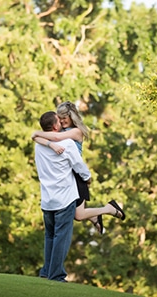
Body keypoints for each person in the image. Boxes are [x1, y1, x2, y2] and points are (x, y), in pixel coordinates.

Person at [32, 101, 125, 235]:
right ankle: (94, 216)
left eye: (64, 118)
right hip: (67, 177)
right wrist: (44, 141)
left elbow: (54, 137)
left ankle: (109, 209)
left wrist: (37, 134)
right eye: (60, 118)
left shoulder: (76, 132)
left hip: (77, 175)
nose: (62, 121)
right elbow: (39, 139)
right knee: (77, 215)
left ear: (72, 117)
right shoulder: (59, 131)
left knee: (78, 215)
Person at [34, 111, 91, 282]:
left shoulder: (39, 145)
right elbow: (78, 165)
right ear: (55, 126)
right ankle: (57, 274)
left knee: (50, 236)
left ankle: (46, 271)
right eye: (59, 120)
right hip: (64, 198)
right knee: (61, 238)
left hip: (47, 199)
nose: (62, 122)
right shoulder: (67, 143)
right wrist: (88, 178)